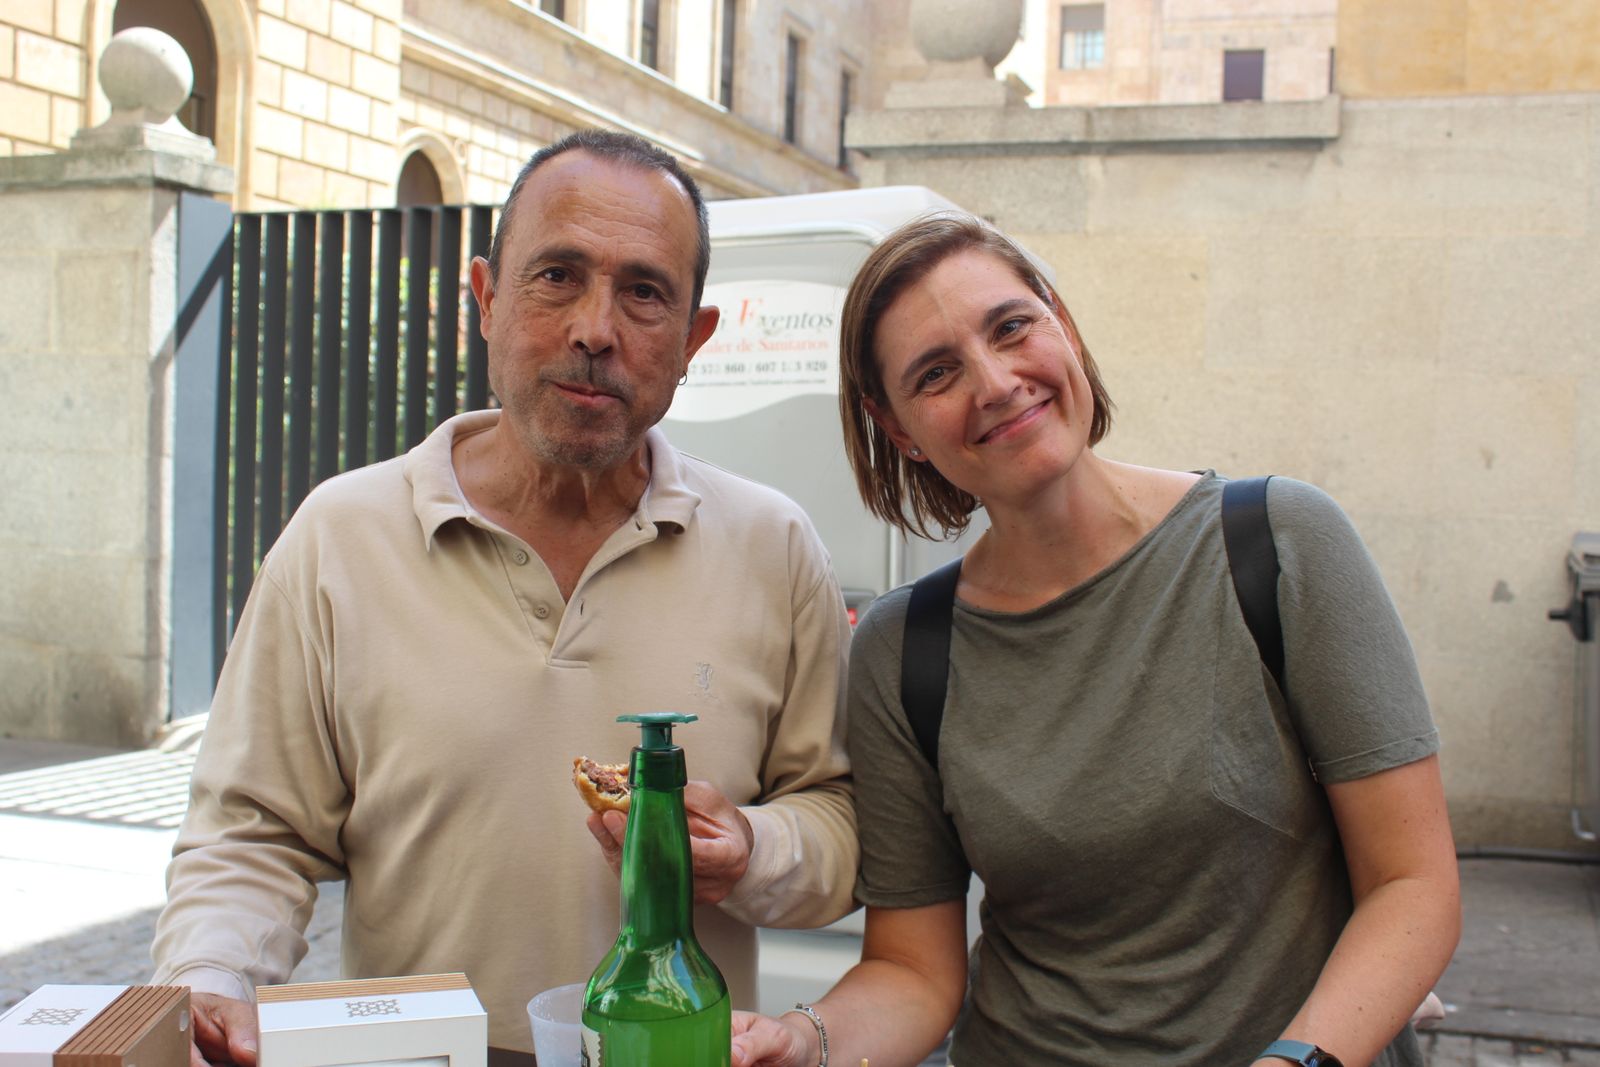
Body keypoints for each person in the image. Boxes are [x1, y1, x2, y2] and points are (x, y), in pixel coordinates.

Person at [150, 129, 857, 1064]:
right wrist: (211, 979)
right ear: (484, 300)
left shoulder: (773, 548)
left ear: (694, 341)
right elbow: (249, 833)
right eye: (556, 275)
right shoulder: (340, 538)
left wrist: (753, 847)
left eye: (644, 292)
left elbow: (842, 825)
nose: (594, 328)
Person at [730, 213, 1461, 1067]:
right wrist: (801, 1039)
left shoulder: (1275, 542)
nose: (997, 382)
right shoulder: (903, 650)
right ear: (897, 429)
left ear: (1062, 325)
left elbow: (1414, 885)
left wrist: (1294, 1060)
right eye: (937, 373)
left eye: (1011, 328)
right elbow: (914, 972)